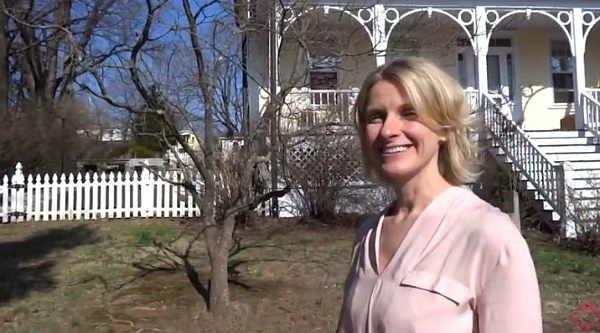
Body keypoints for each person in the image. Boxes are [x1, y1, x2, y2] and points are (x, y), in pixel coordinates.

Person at [335, 57, 542, 333]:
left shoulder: (489, 236)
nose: (387, 130)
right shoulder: (368, 236)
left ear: (444, 128)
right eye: (376, 117)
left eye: (409, 113)